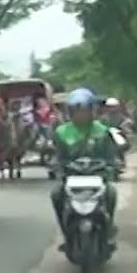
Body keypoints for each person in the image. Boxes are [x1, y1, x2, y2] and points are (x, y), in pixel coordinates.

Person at [50, 88, 120, 252]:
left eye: (85, 110)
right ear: (70, 112)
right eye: (77, 111)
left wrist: (112, 165)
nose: (81, 115)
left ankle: (108, 230)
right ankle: (66, 234)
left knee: (111, 193)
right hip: (72, 176)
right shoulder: (62, 132)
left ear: (92, 111)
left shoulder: (102, 131)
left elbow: (111, 153)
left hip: (97, 175)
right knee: (56, 194)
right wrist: (57, 166)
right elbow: (58, 155)